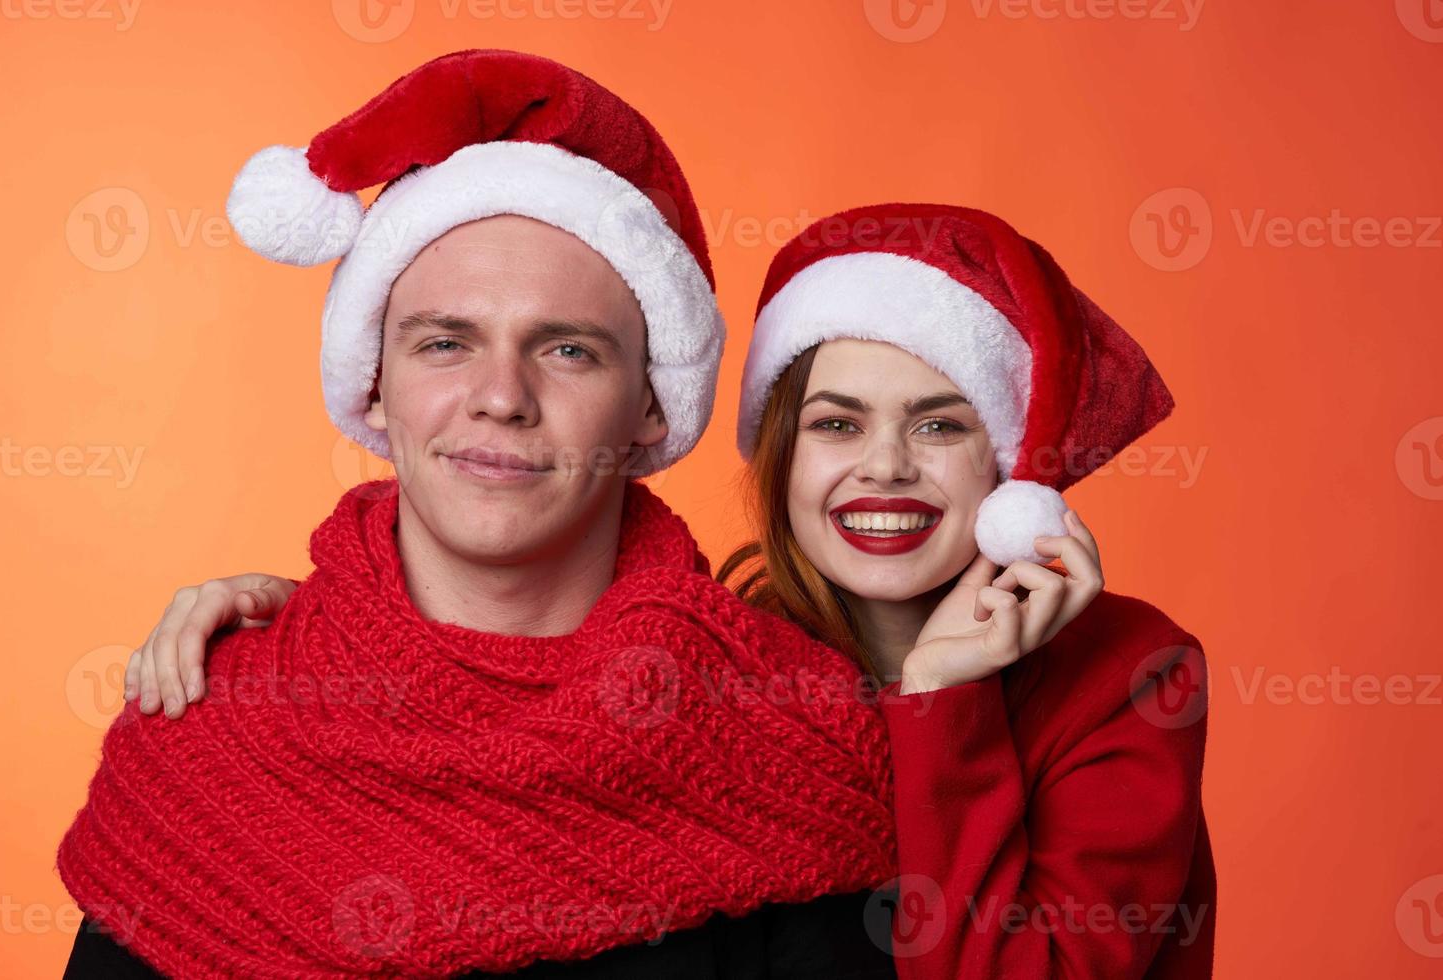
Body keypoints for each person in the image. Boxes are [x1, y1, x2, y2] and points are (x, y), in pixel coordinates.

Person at [117, 205, 1215, 977]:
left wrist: (940, 692)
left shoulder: (1122, 675)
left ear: (1015, 468)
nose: (884, 466)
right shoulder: (761, 668)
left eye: (941, 422)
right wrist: (289, 616)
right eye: (837, 422)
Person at [58, 51, 929, 979]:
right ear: (376, 384)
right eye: (445, 343)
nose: (501, 398)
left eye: (567, 350)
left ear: (650, 406)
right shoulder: (205, 730)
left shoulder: (792, 735)